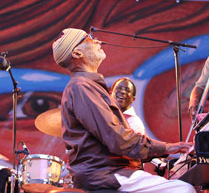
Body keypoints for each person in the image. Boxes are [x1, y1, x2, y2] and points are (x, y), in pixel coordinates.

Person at [52, 28, 196, 193]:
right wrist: (169, 148)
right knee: (184, 190)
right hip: (106, 174)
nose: (98, 41)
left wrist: (165, 150)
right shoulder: (82, 87)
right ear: (77, 53)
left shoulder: (85, 87)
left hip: (111, 172)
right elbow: (117, 139)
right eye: (90, 39)